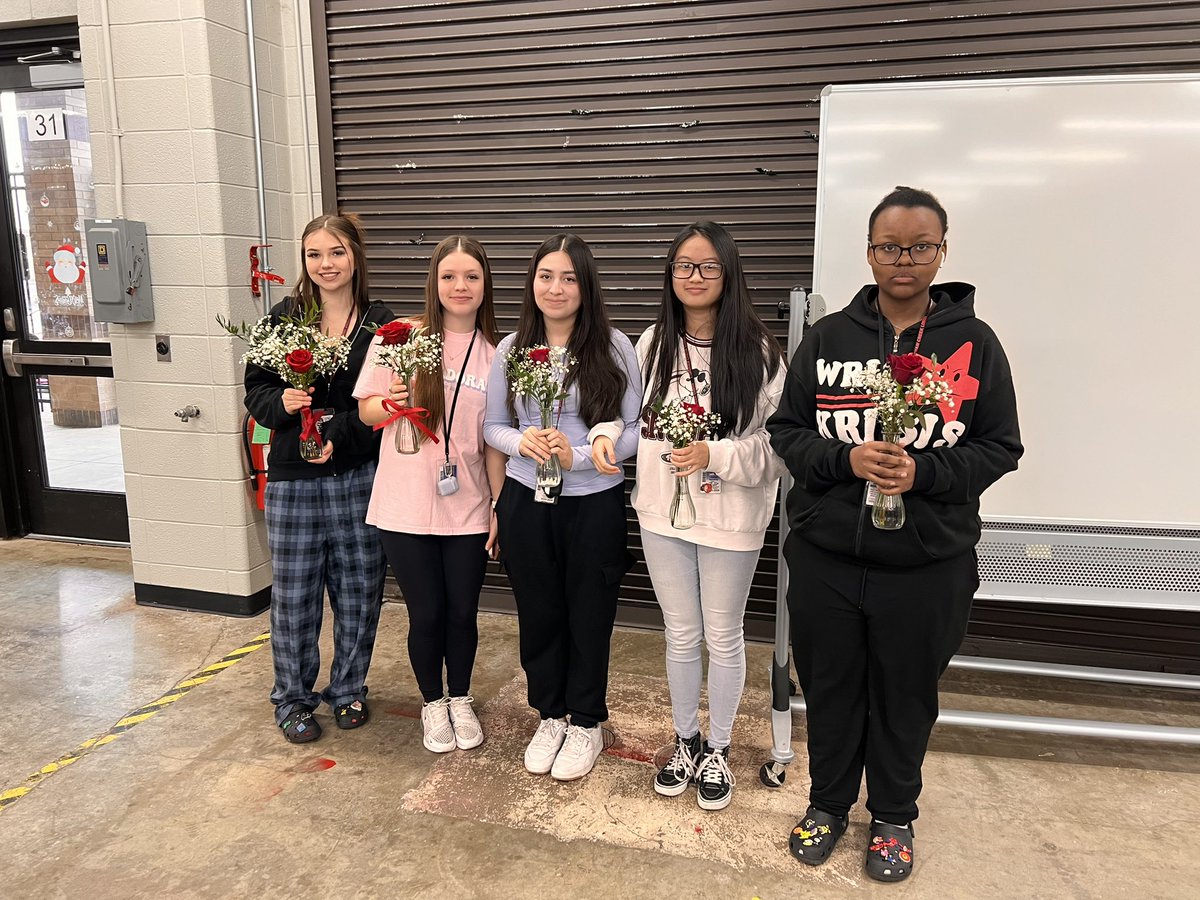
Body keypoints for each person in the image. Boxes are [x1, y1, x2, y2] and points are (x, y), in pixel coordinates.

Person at [766, 186, 1022, 882]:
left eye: (918, 246)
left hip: (927, 564)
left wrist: (926, 474)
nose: (902, 260)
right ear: (869, 251)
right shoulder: (828, 338)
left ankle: (894, 816)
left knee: (906, 696)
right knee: (832, 689)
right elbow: (785, 432)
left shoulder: (974, 343)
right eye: (888, 246)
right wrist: (844, 459)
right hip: (828, 560)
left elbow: (1000, 448)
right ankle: (828, 803)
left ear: (943, 249)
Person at [590, 221, 785, 811]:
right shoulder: (651, 345)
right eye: (682, 266)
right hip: (662, 517)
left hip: (729, 519)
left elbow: (779, 447)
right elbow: (628, 421)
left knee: (723, 636)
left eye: (706, 267)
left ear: (729, 274)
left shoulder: (760, 353)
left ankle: (719, 749)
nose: (693, 278)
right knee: (680, 634)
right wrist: (602, 436)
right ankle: (685, 739)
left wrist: (715, 454)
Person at [483, 233, 641, 782]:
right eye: (546, 276)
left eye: (569, 277)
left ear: (586, 285)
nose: (556, 287)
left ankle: (587, 721)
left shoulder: (615, 347)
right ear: (532, 283)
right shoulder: (512, 348)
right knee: (540, 611)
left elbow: (637, 429)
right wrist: (520, 444)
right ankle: (550, 713)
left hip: (592, 504)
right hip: (528, 499)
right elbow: (493, 426)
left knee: (588, 614)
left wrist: (577, 456)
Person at [244, 212, 394, 744]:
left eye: (336, 252)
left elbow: (388, 404)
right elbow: (254, 392)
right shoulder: (282, 321)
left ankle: (348, 688)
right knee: (295, 595)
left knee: (359, 590)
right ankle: (292, 698)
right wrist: (282, 405)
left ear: (355, 256)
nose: (325, 264)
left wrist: (343, 433)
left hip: (357, 474)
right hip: (292, 480)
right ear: (304, 261)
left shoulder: (382, 324)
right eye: (314, 254)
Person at [355, 236, 506, 753]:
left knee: (462, 612)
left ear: (485, 285)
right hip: (404, 503)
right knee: (427, 613)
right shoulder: (401, 338)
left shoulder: (496, 355)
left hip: (466, 504)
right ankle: (432, 704)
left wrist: (496, 507)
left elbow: (494, 443)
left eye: (471, 276)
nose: (459, 287)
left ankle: (460, 698)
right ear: (434, 283)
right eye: (448, 276)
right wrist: (390, 401)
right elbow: (366, 412)